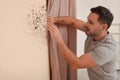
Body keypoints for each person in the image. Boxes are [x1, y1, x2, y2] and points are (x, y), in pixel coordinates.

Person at [47, 6, 117, 80]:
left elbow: (76, 64)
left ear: (104, 27)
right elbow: (73, 21)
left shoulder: (107, 49)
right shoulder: (93, 31)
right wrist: (53, 20)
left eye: (91, 22)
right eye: (87, 20)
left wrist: (59, 39)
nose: (86, 24)